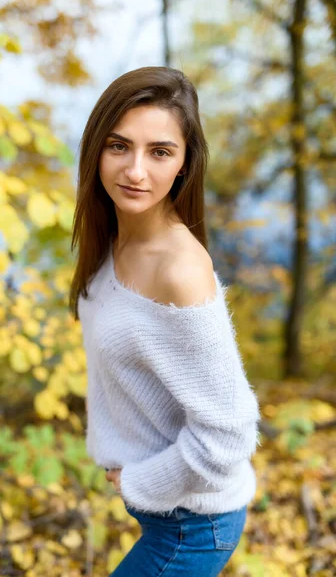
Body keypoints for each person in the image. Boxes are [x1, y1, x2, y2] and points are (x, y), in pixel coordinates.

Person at [69, 66, 261, 577]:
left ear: (183, 164)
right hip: (168, 517)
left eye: (159, 152)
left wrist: (140, 481)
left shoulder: (179, 270)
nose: (135, 171)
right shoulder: (113, 236)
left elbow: (230, 434)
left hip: (192, 527)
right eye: (118, 146)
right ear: (96, 150)